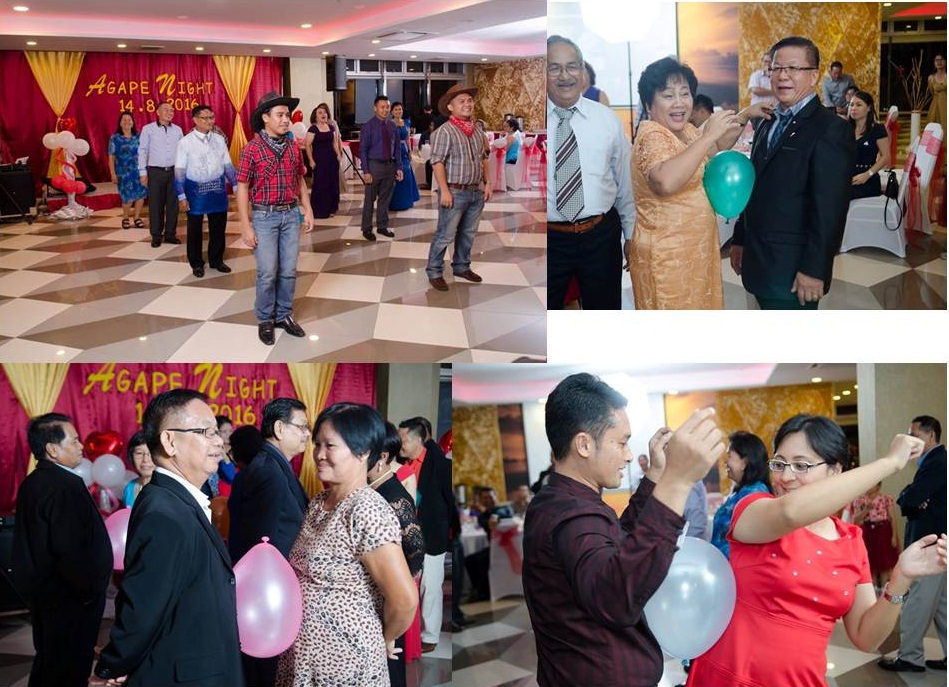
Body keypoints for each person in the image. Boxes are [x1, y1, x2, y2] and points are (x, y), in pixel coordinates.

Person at [687, 415, 948, 687]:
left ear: (835, 471)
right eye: (779, 464)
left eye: (801, 465)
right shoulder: (754, 510)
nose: (785, 477)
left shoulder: (850, 540)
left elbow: (866, 637)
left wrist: (901, 577)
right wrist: (889, 463)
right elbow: (789, 513)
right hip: (728, 679)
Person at [523, 372, 725, 687]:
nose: (629, 455)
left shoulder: (561, 501)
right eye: (622, 442)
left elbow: (616, 547)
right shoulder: (572, 515)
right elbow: (617, 597)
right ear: (584, 444)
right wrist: (677, 482)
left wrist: (656, 474)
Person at [93, 389, 243, 685]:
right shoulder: (164, 512)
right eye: (206, 432)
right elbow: (143, 607)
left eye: (217, 432)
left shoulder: (179, 501)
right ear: (170, 441)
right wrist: (111, 666)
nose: (218, 442)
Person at [275, 403, 418, 686]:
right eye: (317, 444)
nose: (319, 454)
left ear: (363, 452)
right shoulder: (320, 502)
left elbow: (404, 600)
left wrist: (385, 637)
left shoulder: (366, 509)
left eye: (330, 445)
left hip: (346, 661)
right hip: (304, 657)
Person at [730, 36, 855, 309]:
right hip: (759, 259)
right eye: (776, 68)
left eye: (793, 68)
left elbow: (830, 209)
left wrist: (814, 268)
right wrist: (740, 239)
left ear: (814, 75)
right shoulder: (767, 120)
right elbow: (755, 187)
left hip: (795, 270)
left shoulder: (831, 129)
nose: (782, 76)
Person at [630, 57, 764, 310]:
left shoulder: (686, 131)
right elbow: (664, 182)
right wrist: (708, 135)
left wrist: (744, 116)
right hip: (668, 256)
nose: (679, 102)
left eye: (685, 93)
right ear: (649, 104)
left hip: (696, 248)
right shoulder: (652, 134)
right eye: (668, 95)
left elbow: (715, 147)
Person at [11, 413, 112, 687]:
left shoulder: (33, 482)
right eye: (75, 440)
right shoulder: (64, 485)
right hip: (71, 601)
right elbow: (69, 548)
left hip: (48, 597)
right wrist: (88, 592)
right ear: (52, 449)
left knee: (50, 663)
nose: (81, 446)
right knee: (68, 669)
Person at [546, 36, 635, 310]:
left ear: (582, 70)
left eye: (572, 66)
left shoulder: (606, 119)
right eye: (554, 68)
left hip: (600, 236)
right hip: (549, 240)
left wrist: (631, 235)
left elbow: (625, 183)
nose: (565, 76)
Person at [228, 398, 309, 686]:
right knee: (262, 670)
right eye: (302, 427)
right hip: (266, 592)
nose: (307, 434)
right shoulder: (267, 471)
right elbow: (262, 542)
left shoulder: (275, 466)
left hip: (275, 587)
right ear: (279, 428)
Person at [236, 90, 315, 346]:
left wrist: (307, 209)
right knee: (268, 272)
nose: (286, 120)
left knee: (289, 270)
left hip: (291, 214)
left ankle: (283, 315)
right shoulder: (252, 149)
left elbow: (299, 179)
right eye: (280, 115)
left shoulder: (293, 146)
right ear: (265, 118)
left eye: (287, 115)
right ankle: (265, 319)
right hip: (264, 217)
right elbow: (242, 187)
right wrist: (245, 226)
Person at [879, 415, 947, 673]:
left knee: (917, 603)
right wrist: (911, 496)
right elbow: (913, 497)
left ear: (931, 436)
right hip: (939, 545)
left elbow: (910, 500)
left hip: (929, 546)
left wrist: (909, 496)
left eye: (915, 435)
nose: (910, 441)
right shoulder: (937, 461)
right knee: (943, 607)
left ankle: (910, 657)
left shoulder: (936, 462)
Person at [367, 422, 425, 687]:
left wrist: (400, 583)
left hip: (388, 595)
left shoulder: (394, 497)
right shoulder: (375, 490)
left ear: (381, 457)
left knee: (390, 661)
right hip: (377, 594)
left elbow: (417, 548)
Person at [426, 84, 492, 292]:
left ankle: (462, 267)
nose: (467, 104)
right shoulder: (444, 131)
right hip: (454, 191)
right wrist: (444, 190)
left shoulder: (477, 130)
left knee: (468, 233)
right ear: (450, 107)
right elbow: (437, 162)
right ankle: (434, 271)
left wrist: (488, 183)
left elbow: (484, 157)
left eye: (469, 100)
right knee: (445, 234)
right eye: (461, 101)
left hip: (475, 191)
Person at [399, 416, 453, 652]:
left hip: (432, 534)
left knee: (430, 587)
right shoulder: (400, 463)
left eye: (403, 440)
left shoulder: (441, 465)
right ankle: (407, 633)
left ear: (417, 440)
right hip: (405, 536)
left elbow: (450, 502)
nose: (400, 444)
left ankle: (430, 636)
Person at [175, 104, 235, 278]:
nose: (209, 121)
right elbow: (179, 171)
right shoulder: (185, 142)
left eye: (211, 118)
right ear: (195, 120)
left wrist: (236, 186)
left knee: (219, 226)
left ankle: (217, 260)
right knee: (194, 228)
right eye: (205, 118)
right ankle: (196, 263)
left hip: (217, 190)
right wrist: (181, 196)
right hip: (195, 192)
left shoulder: (219, 139)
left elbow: (228, 164)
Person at [710, 430, 772, 559]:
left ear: (745, 462)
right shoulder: (743, 490)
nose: (725, 462)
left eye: (729, 456)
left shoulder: (755, 495)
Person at [138, 102, 183, 248]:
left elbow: (182, 151)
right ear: (157, 112)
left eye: (172, 110)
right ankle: (156, 235)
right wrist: (142, 172)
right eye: (166, 110)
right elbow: (142, 151)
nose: (170, 112)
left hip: (174, 172)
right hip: (155, 172)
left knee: (173, 205)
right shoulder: (148, 129)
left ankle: (170, 234)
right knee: (155, 204)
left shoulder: (178, 130)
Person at [359, 95, 403, 241]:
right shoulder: (368, 126)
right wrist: (366, 171)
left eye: (387, 107)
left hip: (389, 166)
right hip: (374, 166)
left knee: (385, 199)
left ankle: (382, 226)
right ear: (375, 108)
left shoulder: (392, 126)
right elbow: (363, 150)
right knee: (369, 199)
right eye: (382, 107)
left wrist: (399, 167)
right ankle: (366, 228)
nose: (385, 110)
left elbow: (397, 147)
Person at [850, 482, 900, 589]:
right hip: (868, 532)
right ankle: (873, 589)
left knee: (885, 563)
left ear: (878, 486)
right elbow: (855, 520)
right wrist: (866, 509)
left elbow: (892, 518)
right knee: (870, 563)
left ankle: (884, 589)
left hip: (883, 531)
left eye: (873, 484)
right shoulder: (860, 500)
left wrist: (894, 536)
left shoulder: (885, 499)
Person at [847, 90, 889, 200]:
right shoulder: (844, 129)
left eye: (858, 105)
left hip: (868, 179)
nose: (853, 108)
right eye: (851, 105)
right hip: (846, 178)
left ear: (869, 108)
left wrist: (867, 174)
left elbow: (885, 157)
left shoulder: (877, 129)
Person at [107, 111, 146, 229]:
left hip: (139, 171)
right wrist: (113, 173)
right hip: (123, 173)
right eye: (124, 120)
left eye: (129, 120)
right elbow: (111, 157)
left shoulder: (138, 136)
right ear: (120, 123)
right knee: (126, 196)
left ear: (133, 122)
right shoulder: (115, 138)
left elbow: (145, 153)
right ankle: (125, 217)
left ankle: (137, 217)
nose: (127, 122)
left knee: (141, 195)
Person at [304, 102, 342, 219]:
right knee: (321, 184)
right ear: (316, 117)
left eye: (324, 112)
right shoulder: (313, 129)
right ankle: (320, 210)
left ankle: (332, 208)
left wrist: (338, 154)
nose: (323, 114)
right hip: (319, 160)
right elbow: (307, 145)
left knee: (333, 183)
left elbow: (334, 143)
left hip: (332, 159)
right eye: (320, 113)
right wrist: (311, 160)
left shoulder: (331, 127)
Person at [389, 101, 420, 211]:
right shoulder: (389, 123)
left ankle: (406, 200)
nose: (398, 111)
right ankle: (395, 202)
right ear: (392, 112)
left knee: (406, 173)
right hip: (394, 151)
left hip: (404, 150)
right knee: (396, 174)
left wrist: (410, 151)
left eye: (400, 109)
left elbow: (407, 138)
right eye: (396, 109)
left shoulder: (406, 122)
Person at [122, 430, 154, 508]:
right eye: (139, 453)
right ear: (131, 457)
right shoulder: (129, 488)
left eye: (151, 453)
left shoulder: (168, 488)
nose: (145, 459)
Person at [928, 54, 947, 129]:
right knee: (935, 129)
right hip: (936, 106)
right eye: (937, 60)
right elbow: (932, 93)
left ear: (945, 61)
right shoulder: (931, 78)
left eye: (941, 59)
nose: (939, 62)